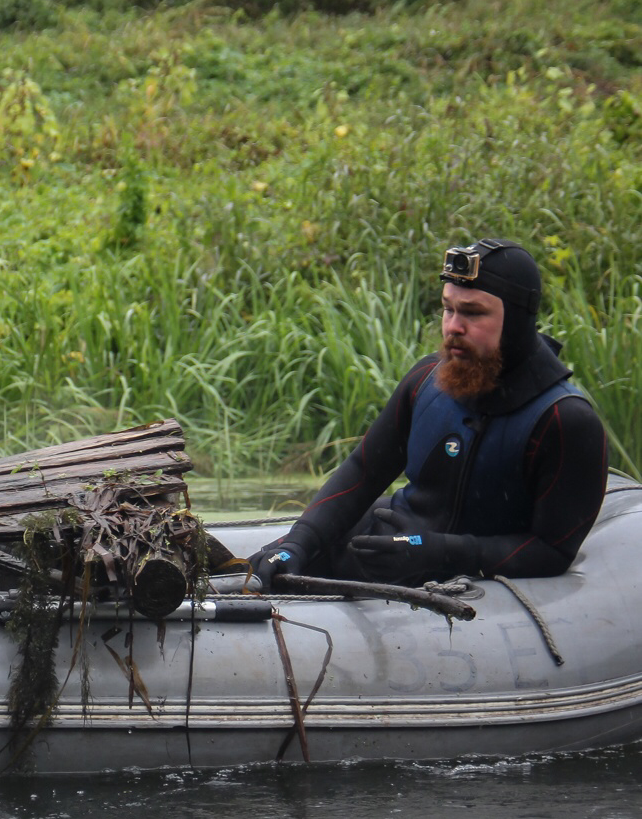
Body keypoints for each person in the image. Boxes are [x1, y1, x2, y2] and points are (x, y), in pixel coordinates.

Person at [249, 238, 608, 590]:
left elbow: (552, 551)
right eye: (448, 309)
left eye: (473, 312)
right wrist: (299, 541)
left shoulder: (565, 422)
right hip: (380, 548)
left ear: (517, 321)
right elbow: (363, 471)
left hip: (465, 590)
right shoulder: (425, 381)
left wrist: (437, 551)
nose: (453, 326)